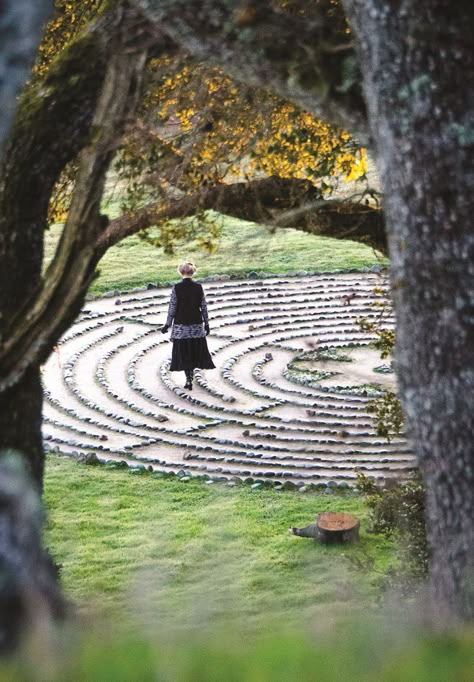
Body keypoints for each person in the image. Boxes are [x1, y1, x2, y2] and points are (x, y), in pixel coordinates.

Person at [161, 262, 215, 389]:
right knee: (194, 352)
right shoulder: (198, 287)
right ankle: (191, 377)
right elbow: (203, 307)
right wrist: (206, 323)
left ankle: (188, 379)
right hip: (196, 326)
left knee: (184, 352)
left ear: (180, 272)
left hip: (181, 327)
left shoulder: (177, 288)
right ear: (193, 272)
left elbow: (172, 308)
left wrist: (167, 324)